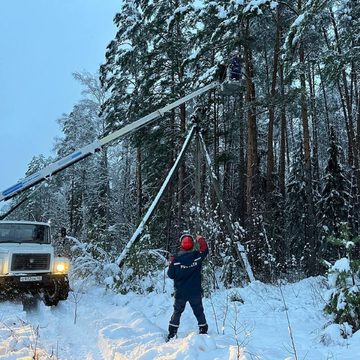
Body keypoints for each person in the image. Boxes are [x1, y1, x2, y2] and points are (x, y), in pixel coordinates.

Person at [167, 233, 209, 341]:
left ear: (181, 244)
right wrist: (200, 239)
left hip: (180, 293)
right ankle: (203, 330)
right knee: (199, 311)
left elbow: (170, 275)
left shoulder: (175, 260)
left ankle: (172, 333)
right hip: (195, 291)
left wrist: (171, 264)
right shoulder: (196, 256)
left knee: (177, 312)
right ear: (192, 245)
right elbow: (205, 250)